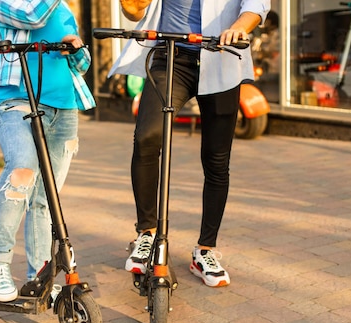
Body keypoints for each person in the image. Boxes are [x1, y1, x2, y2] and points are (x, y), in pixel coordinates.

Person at [111, 0, 269, 287]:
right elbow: (135, 9)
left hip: (221, 54)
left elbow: (256, 4)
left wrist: (237, 28)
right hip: (171, 57)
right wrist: (131, 8)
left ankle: (205, 251)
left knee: (217, 159)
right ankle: (146, 234)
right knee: (146, 137)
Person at [0, 0, 95, 302]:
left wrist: (76, 48)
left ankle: (39, 275)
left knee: (46, 200)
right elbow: (31, 17)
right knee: (22, 169)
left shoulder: (63, 10)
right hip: (15, 102)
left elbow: (82, 66)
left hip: (64, 110)